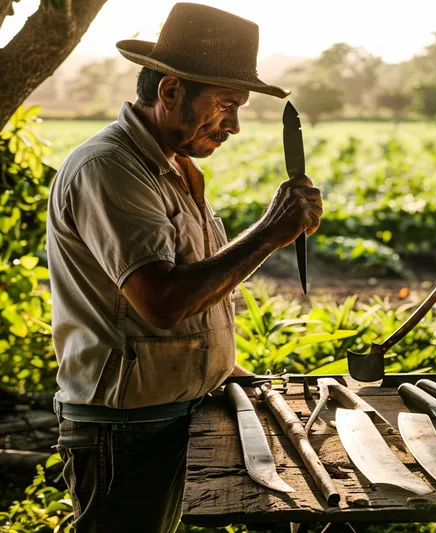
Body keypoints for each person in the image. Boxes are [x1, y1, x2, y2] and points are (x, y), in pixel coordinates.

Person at [44, 3, 323, 532]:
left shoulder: (175, 169)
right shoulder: (111, 169)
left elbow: (197, 294)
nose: (234, 126)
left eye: (238, 107)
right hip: (126, 428)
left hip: (177, 412)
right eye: (225, 105)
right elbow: (164, 303)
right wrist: (269, 233)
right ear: (170, 92)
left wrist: (229, 372)